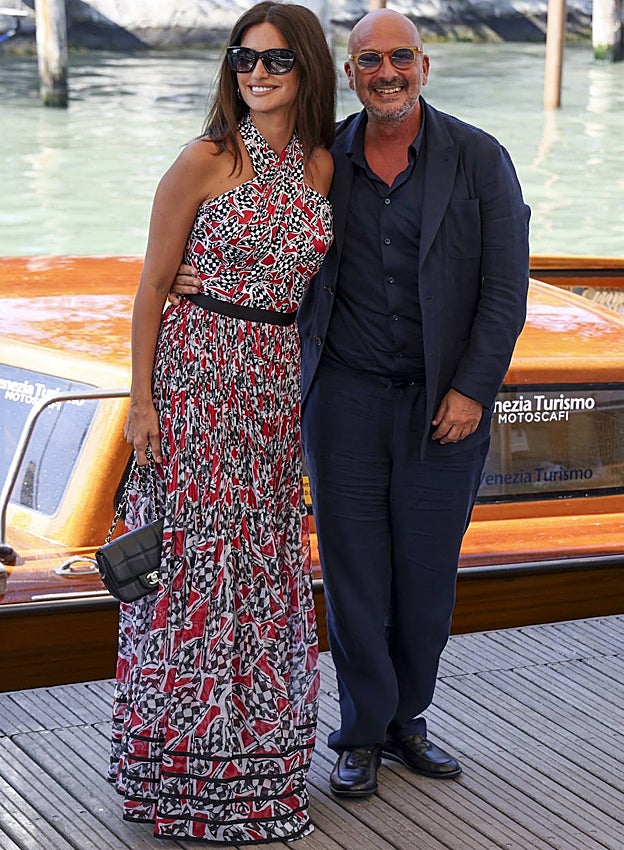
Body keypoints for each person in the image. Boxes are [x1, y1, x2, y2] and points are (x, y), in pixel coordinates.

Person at [173, 8, 530, 800]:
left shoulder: (480, 158)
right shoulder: (322, 157)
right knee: (354, 578)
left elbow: (506, 290)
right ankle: (363, 733)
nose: (387, 73)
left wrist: (471, 389)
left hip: (445, 408)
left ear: (424, 66)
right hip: (344, 400)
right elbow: (245, 226)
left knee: (426, 583)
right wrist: (190, 276)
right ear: (351, 73)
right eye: (370, 60)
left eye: (401, 58)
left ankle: (408, 719)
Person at [108, 2, 335, 843]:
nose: (257, 74)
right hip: (198, 374)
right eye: (244, 58)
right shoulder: (204, 159)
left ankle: (257, 764)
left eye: (275, 61)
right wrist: (141, 402)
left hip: (272, 385)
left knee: (262, 565)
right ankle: (183, 775)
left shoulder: (320, 165)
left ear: (307, 68)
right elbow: (151, 288)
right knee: (199, 568)